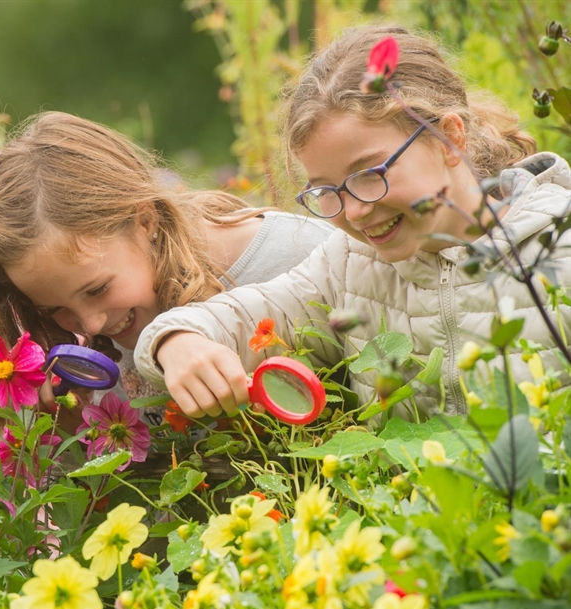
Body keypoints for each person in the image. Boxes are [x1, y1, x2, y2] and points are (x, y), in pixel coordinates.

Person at [132, 25, 571, 419]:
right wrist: (174, 341)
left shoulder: (561, 245)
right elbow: (242, 315)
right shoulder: (347, 267)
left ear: (449, 139)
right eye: (327, 190)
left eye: (369, 175)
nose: (355, 211)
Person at [0, 111, 335, 425]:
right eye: (57, 309)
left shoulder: (298, 258)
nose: (90, 323)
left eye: (97, 289)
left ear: (144, 220)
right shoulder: (92, 346)